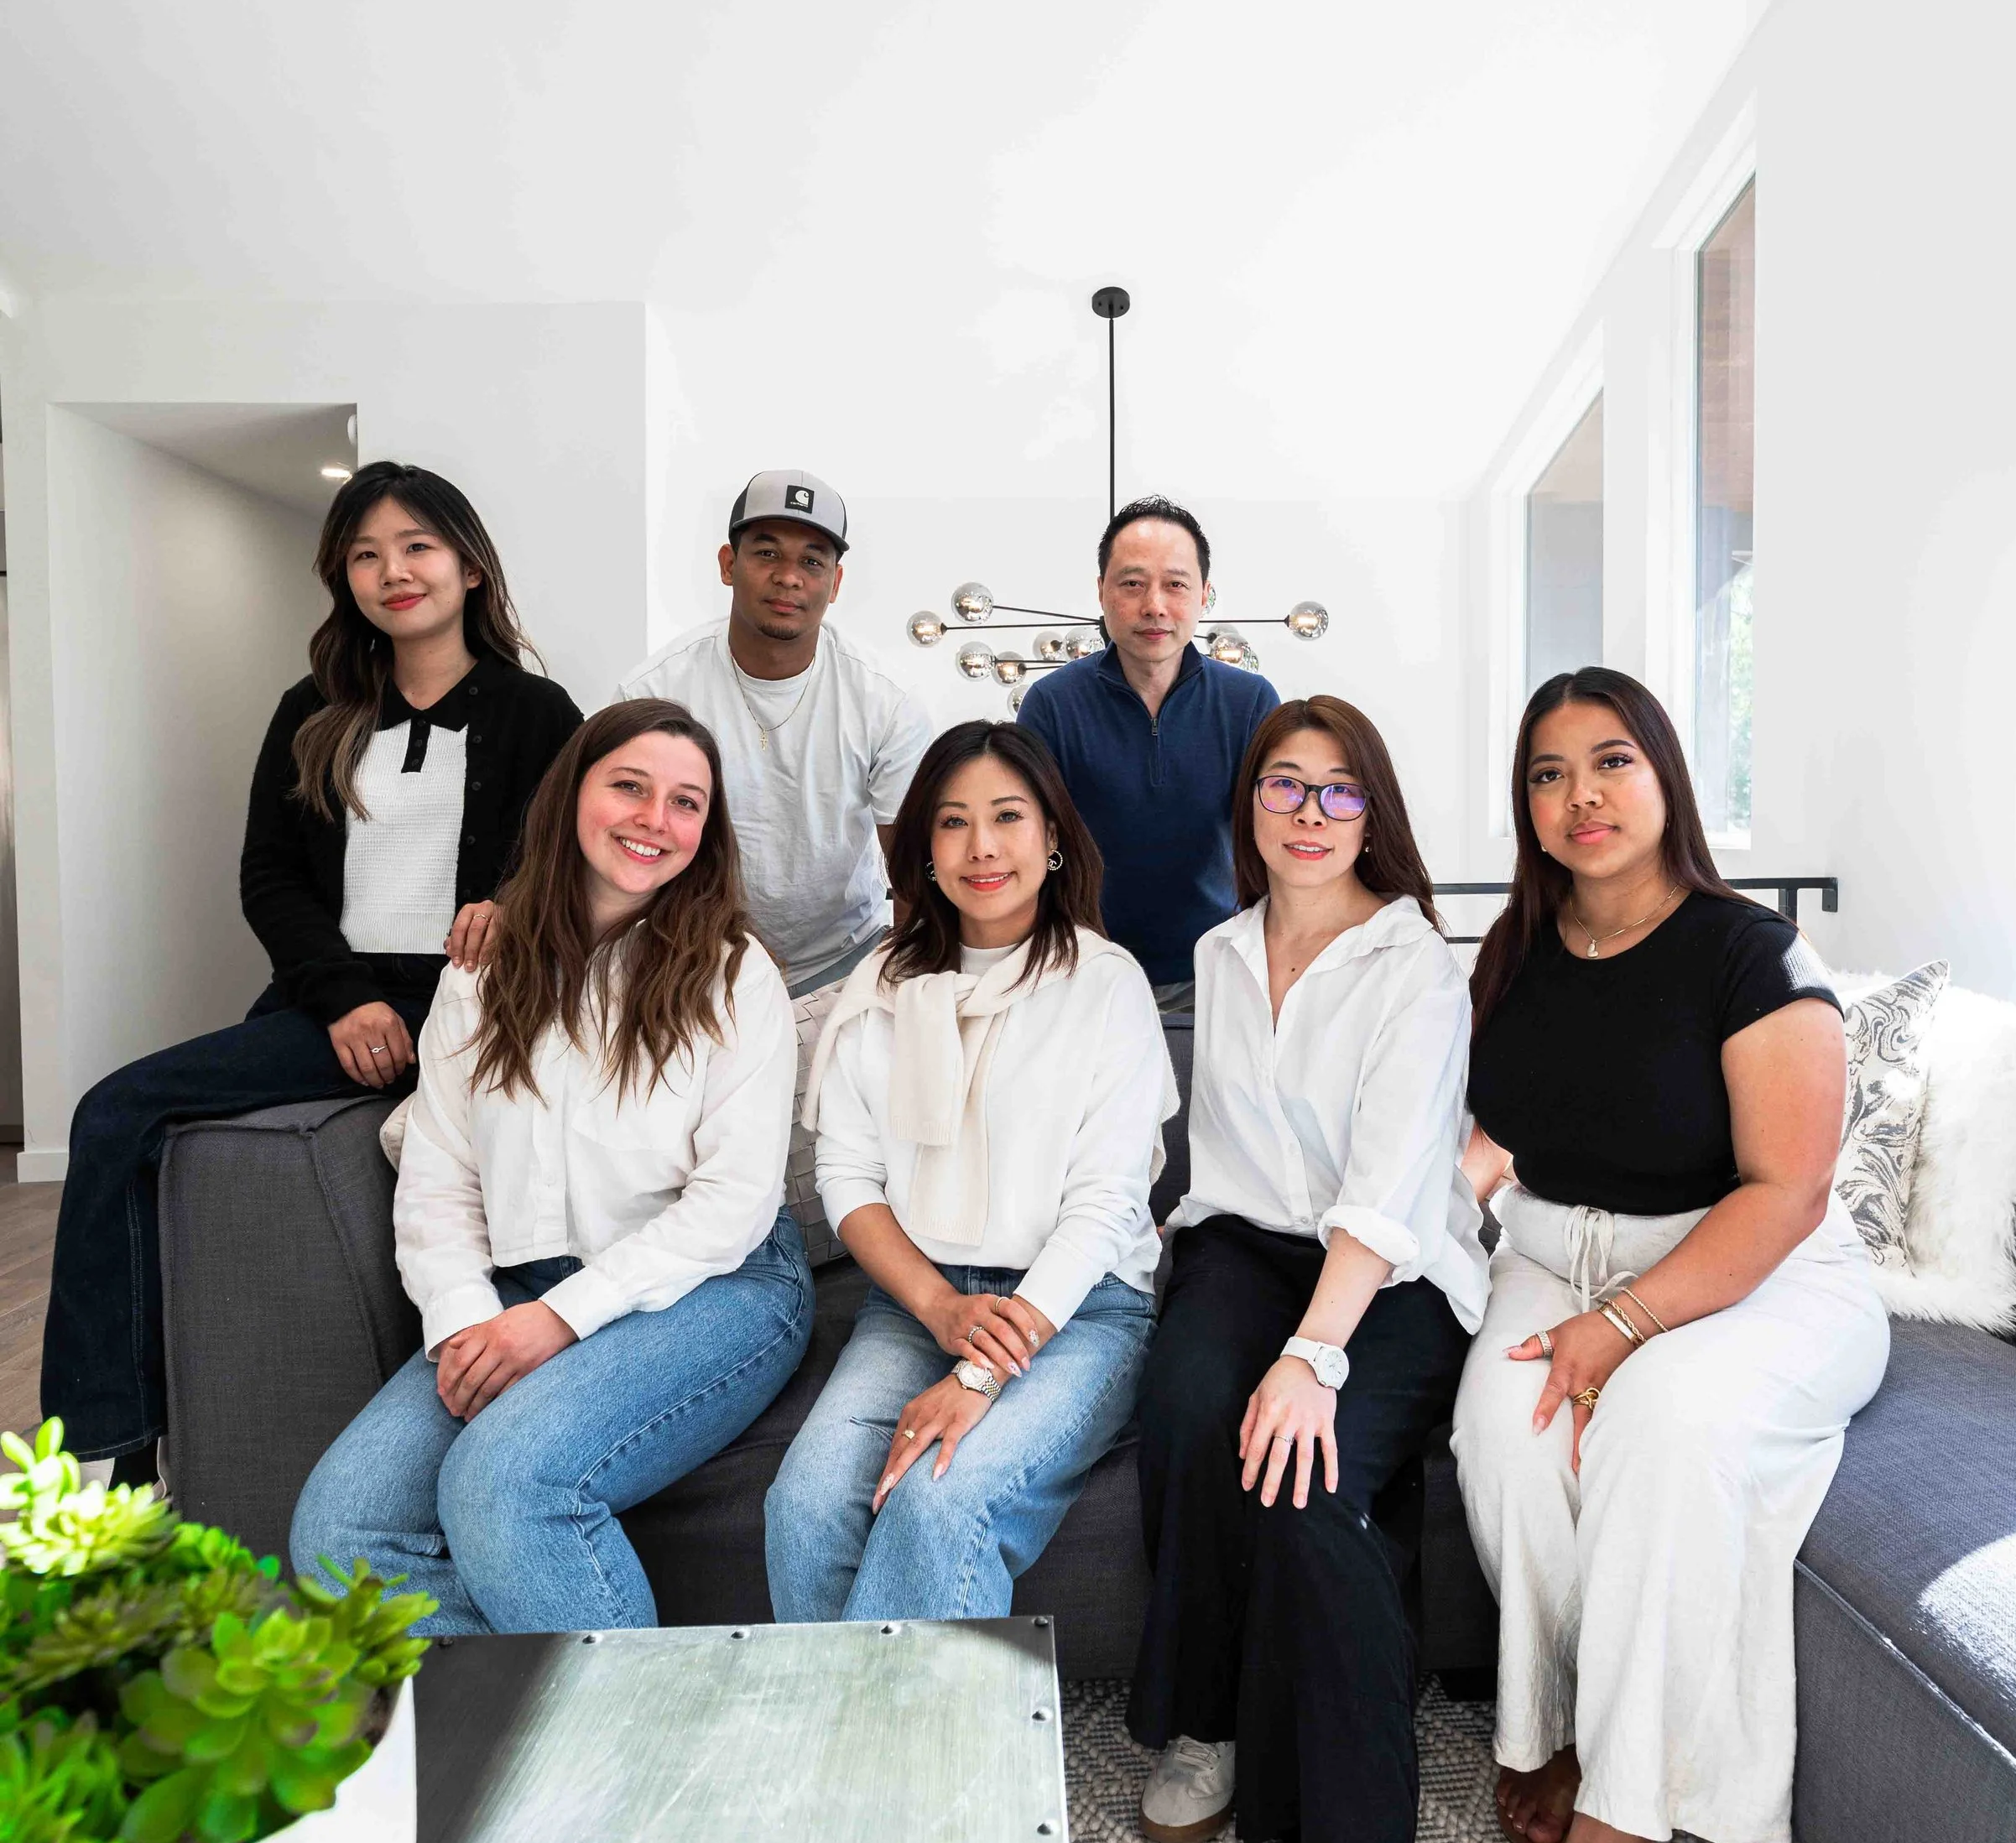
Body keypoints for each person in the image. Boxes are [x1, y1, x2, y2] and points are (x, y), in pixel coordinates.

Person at [1451, 666, 1887, 1843]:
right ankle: (1565, 1725)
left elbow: (1788, 1191)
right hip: (1556, 1255)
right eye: (1547, 772)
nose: (1580, 795)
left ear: (1666, 779)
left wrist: (1622, 1331)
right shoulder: (1513, 950)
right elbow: (1498, 1130)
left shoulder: (1750, 955)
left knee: (1657, 1429)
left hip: (1750, 1271)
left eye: (1612, 761)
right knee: (1504, 1439)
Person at [41, 462, 581, 1483]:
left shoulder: (537, 711)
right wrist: (342, 995)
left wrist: (511, 909)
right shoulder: (314, 705)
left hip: (468, 1003)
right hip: (336, 993)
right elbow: (269, 873)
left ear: (468, 564)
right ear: (345, 578)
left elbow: (572, 866)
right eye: (366, 554)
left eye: (417, 546)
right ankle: (111, 1447)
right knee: (116, 1113)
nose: (394, 571)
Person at [1127, 696, 1486, 1843]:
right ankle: (1203, 1721)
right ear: (1251, 806)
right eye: (1287, 784)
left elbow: (1393, 1187)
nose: (1311, 811)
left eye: (1342, 791)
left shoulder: (1418, 965)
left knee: (1304, 1473)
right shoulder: (1215, 953)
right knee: (1190, 1400)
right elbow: (1228, 1168)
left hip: (1389, 1267)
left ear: (1373, 812)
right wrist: (1252, 1341)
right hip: (1244, 1241)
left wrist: (1315, 1359)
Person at [292, 700, 812, 1633]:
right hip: (517, 1283)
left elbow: (730, 1206)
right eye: (629, 786)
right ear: (573, 793)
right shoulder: (480, 969)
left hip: (716, 1286)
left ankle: (604, 1763)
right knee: (341, 1536)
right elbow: (441, 1174)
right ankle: (551, 1724)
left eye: (686, 801)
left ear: (707, 829)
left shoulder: (735, 975)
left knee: (504, 1483)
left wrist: (557, 1321)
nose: (656, 818)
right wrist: (460, 1319)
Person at [763, 719, 1174, 1624]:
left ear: (1054, 838)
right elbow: (850, 1179)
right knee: (801, 1508)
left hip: (1077, 1308)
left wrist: (984, 1370)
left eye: (1007, 815)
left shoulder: (1104, 984)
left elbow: (1106, 1201)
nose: (981, 845)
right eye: (951, 822)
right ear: (922, 850)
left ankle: (922, 1764)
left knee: (940, 1500)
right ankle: (849, 1759)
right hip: (920, 1300)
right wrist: (939, 1308)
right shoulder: (880, 986)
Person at [619, 471, 930, 997]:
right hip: (688, 960)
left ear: (834, 583)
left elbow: (915, 868)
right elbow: (616, 843)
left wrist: (904, 992)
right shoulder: (656, 690)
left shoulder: (886, 700)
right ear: (727, 565)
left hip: (843, 962)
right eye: (767, 553)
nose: (789, 578)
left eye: (812, 561)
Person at [1018, 496, 1279, 1007]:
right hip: (1081, 970)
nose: (1154, 605)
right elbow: (1027, 843)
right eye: (1132, 583)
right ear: (1101, 592)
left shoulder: (1249, 702)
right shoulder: (1051, 704)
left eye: (1176, 585)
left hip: (1217, 972)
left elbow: (1275, 840)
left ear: (1204, 594)